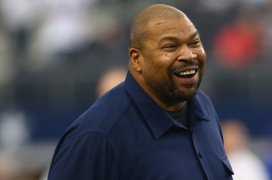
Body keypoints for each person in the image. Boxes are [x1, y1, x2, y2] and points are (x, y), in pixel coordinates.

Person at [48, 4, 234, 180]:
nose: (189, 55)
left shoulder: (204, 107)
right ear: (137, 59)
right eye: (170, 46)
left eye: (194, 42)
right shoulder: (96, 136)